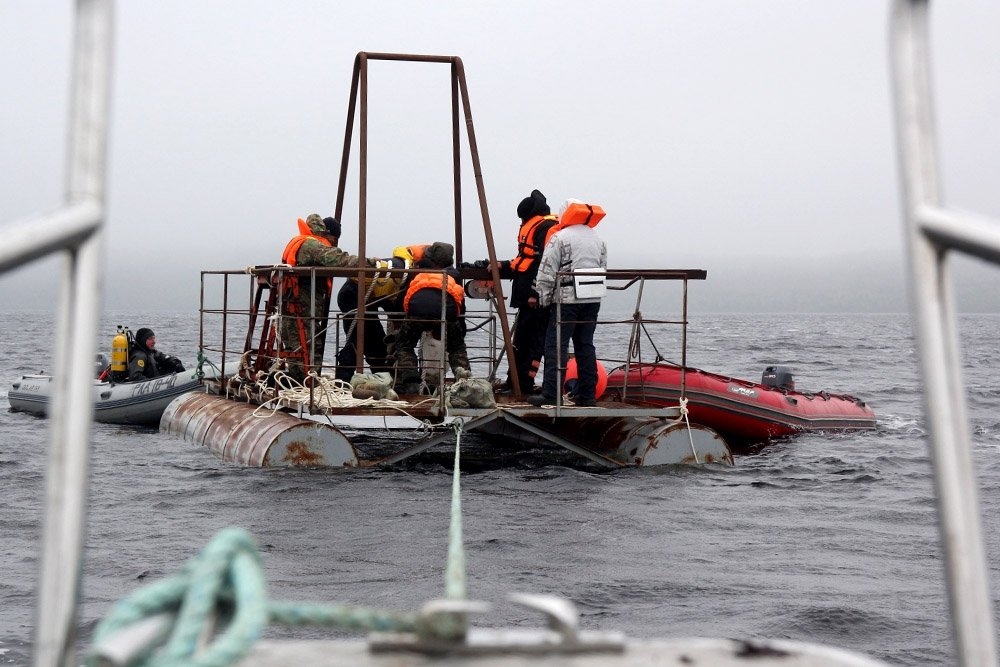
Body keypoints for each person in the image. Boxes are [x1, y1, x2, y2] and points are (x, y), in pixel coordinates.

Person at [527, 200, 607, 407]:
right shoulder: (597, 239)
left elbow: (546, 270)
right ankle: (588, 395)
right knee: (585, 345)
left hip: (567, 300)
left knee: (556, 346)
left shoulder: (560, 238)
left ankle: (551, 394)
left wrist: (543, 300)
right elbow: (603, 267)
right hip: (592, 299)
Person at [278, 213, 368, 382]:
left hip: (292, 306)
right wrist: (372, 264)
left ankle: (299, 380)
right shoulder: (313, 246)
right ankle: (307, 385)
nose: (333, 244)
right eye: (334, 240)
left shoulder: (300, 241)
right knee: (308, 346)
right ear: (327, 234)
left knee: (296, 347)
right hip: (302, 308)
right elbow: (340, 260)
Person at [493, 189, 560, 394]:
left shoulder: (547, 228)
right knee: (520, 340)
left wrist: (536, 292)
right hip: (525, 295)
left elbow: (545, 264)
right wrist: (502, 265)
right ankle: (513, 381)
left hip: (537, 297)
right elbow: (524, 259)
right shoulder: (535, 227)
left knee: (534, 342)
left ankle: (524, 384)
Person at [334, 243, 430, 383]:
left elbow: (389, 301)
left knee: (376, 343)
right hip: (353, 295)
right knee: (360, 338)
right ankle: (342, 380)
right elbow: (394, 305)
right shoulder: (404, 273)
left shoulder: (400, 265)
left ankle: (383, 380)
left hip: (367, 296)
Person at [392, 241, 471, 393]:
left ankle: (411, 382)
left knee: (404, 345)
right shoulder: (454, 278)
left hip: (417, 311)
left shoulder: (418, 274)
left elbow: (401, 300)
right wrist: (460, 332)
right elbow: (460, 309)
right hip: (446, 313)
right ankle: (464, 382)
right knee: (456, 348)